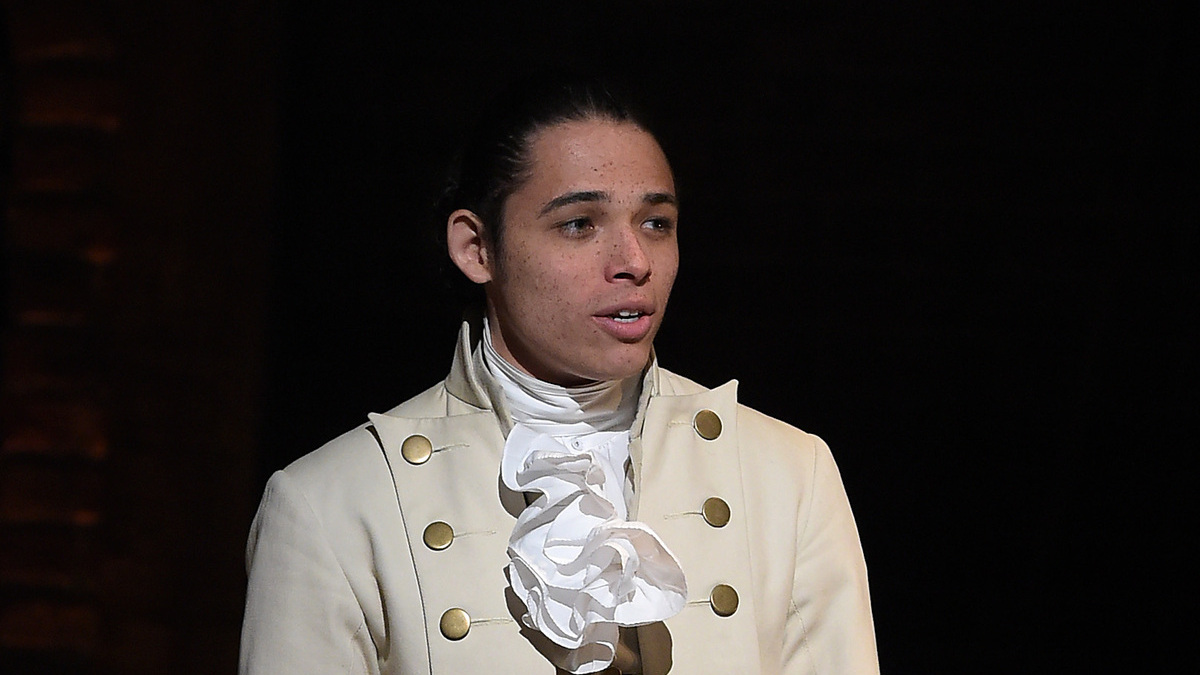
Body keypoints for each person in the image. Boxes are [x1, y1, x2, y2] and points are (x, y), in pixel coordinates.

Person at [240, 79, 878, 675]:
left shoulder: (788, 474)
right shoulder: (335, 505)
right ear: (476, 248)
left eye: (656, 223)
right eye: (579, 225)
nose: (633, 262)